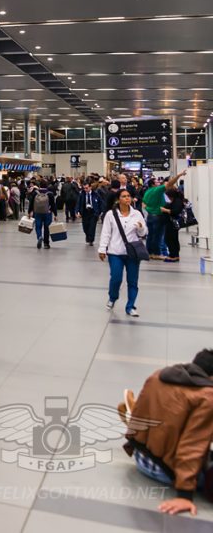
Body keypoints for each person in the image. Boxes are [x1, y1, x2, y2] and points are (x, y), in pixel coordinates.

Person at [120, 349, 213, 516]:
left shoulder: (159, 376)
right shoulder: (208, 397)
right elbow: (192, 445)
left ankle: (130, 411)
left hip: (142, 457)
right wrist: (184, 495)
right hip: (166, 472)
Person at [99, 188, 147, 318]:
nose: (127, 198)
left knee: (132, 281)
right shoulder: (111, 214)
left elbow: (144, 233)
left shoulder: (136, 214)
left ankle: (130, 306)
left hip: (132, 253)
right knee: (116, 278)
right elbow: (106, 232)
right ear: (118, 199)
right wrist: (102, 249)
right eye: (124, 196)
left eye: (128, 196)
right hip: (115, 252)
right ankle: (113, 297)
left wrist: (141, 228)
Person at [143, 171, 184, 260]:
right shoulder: (157, 190)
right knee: (157, 236)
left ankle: (149, 252)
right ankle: (156, 253)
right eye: (157, 181)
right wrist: (179, 175)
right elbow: (170, 183)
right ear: (153, 185)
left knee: (150, 235)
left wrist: (149, 209)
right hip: (158, 216)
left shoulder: (147, 192)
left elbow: (144, 204)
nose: (159, 182)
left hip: (150, 216)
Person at [163, 186, 185, 263]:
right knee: (171, 239)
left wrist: (165, 210)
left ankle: (174, 255)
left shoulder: (177, 201)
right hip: (171, 223)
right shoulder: (175, 200)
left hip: (173, 223)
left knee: (170, 239)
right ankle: (173, 254)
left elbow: (175, 211)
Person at [78, 181, 102, 246]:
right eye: (84, 188)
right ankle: (87, 235)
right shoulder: (81, 194)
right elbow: (78, 203)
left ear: (90, 187)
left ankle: (91, 240)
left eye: (87, 188)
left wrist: (100, 212)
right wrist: (77, 211)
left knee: (92, 227)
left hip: (93, 213)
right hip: (85, 213)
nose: (85, 190)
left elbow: (101, 203)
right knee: (85, 227)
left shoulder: (96, 194)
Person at [32, 184, 55, 249]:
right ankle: (46, 244)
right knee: (47, 228)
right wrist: (55, 214)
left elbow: (31, 203)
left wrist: (29, 212)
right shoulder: (50, 194)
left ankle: (39, 236)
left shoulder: (35, 193)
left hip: (37, 213)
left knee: (38, 226)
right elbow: (53, 205)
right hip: (47, 213)